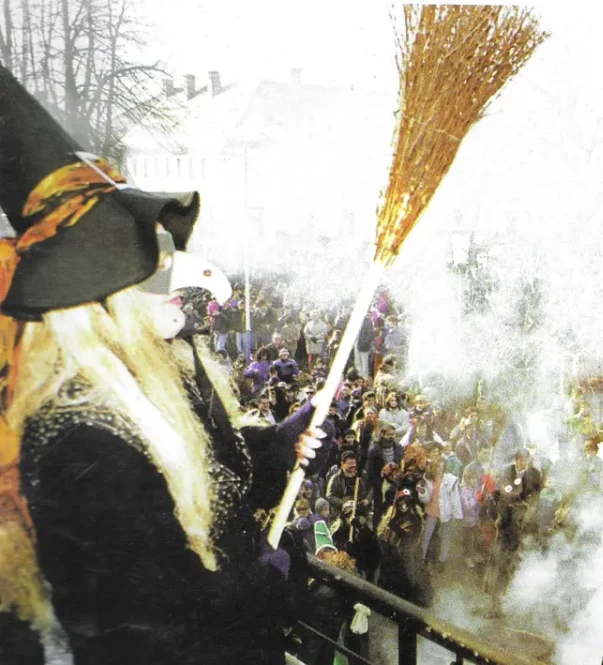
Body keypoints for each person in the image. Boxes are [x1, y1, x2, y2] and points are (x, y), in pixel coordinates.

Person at [0, 63, 324, 665]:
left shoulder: (137, 379)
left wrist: (277, 447)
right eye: (154, 267)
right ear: (101, 295)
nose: (177, 282)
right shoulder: (82, 438)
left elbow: (201, 475)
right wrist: (263, 587)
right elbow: (163, 623)